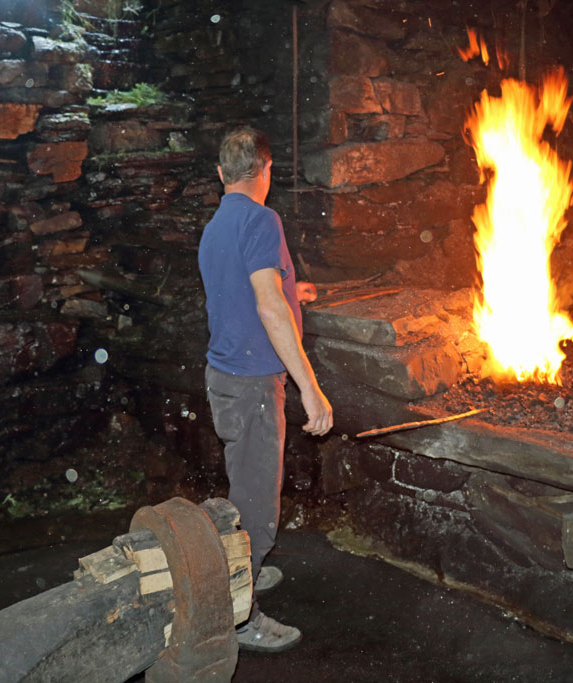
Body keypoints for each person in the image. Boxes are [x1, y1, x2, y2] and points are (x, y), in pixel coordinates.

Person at [198, 126, 333, 653]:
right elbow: (266, 306)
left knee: (245, 485)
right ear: (265, 171)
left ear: (221, 174)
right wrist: (311, 389)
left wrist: (288, 288)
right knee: (255, 503)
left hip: (225, 379)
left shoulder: (217, 224)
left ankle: (244, 573)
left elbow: (245, 288)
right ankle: (240, 613)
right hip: (253, 385)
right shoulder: (262, 218)